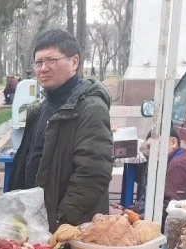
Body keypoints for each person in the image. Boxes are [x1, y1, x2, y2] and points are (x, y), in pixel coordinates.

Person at [8, 29, 113, 232]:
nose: (43, 68)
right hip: (38, 224)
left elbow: (92, 175)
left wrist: (59, 223)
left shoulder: (90, 108)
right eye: (38, 62)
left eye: (51, 60)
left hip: (68, 230)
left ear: (74, 62)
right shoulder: (43, 107)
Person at [139, 126, 186, 213]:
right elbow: (149, 198)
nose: (152, 151)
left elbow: (173, 209)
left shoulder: (178, 166)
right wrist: (130, 210)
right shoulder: (166, 164)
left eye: (156, 145)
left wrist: (138, 217)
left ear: (173, 142)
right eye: (149, 147)